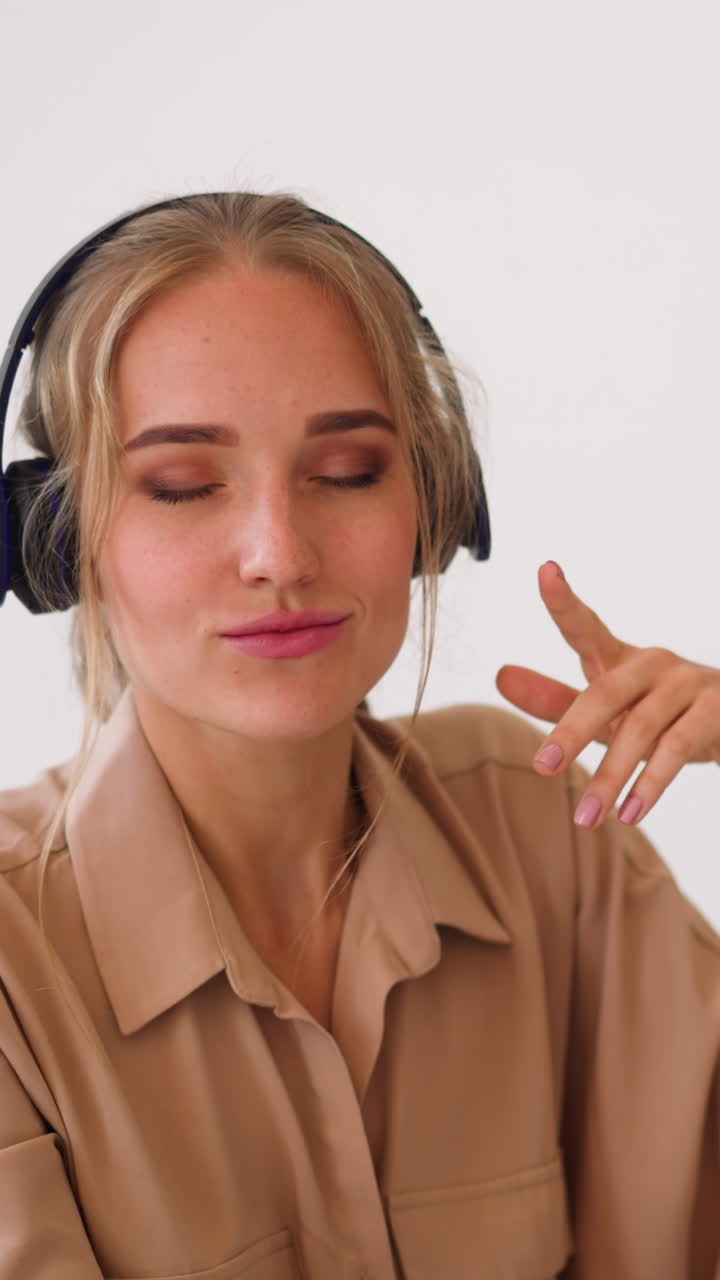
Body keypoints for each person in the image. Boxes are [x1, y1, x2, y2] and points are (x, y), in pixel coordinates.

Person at [0, 191, 717, 1279]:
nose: (279, 552)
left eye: (348, 471)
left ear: (433, 503)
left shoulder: (548, 820)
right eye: (184, 485)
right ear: (55, 543)